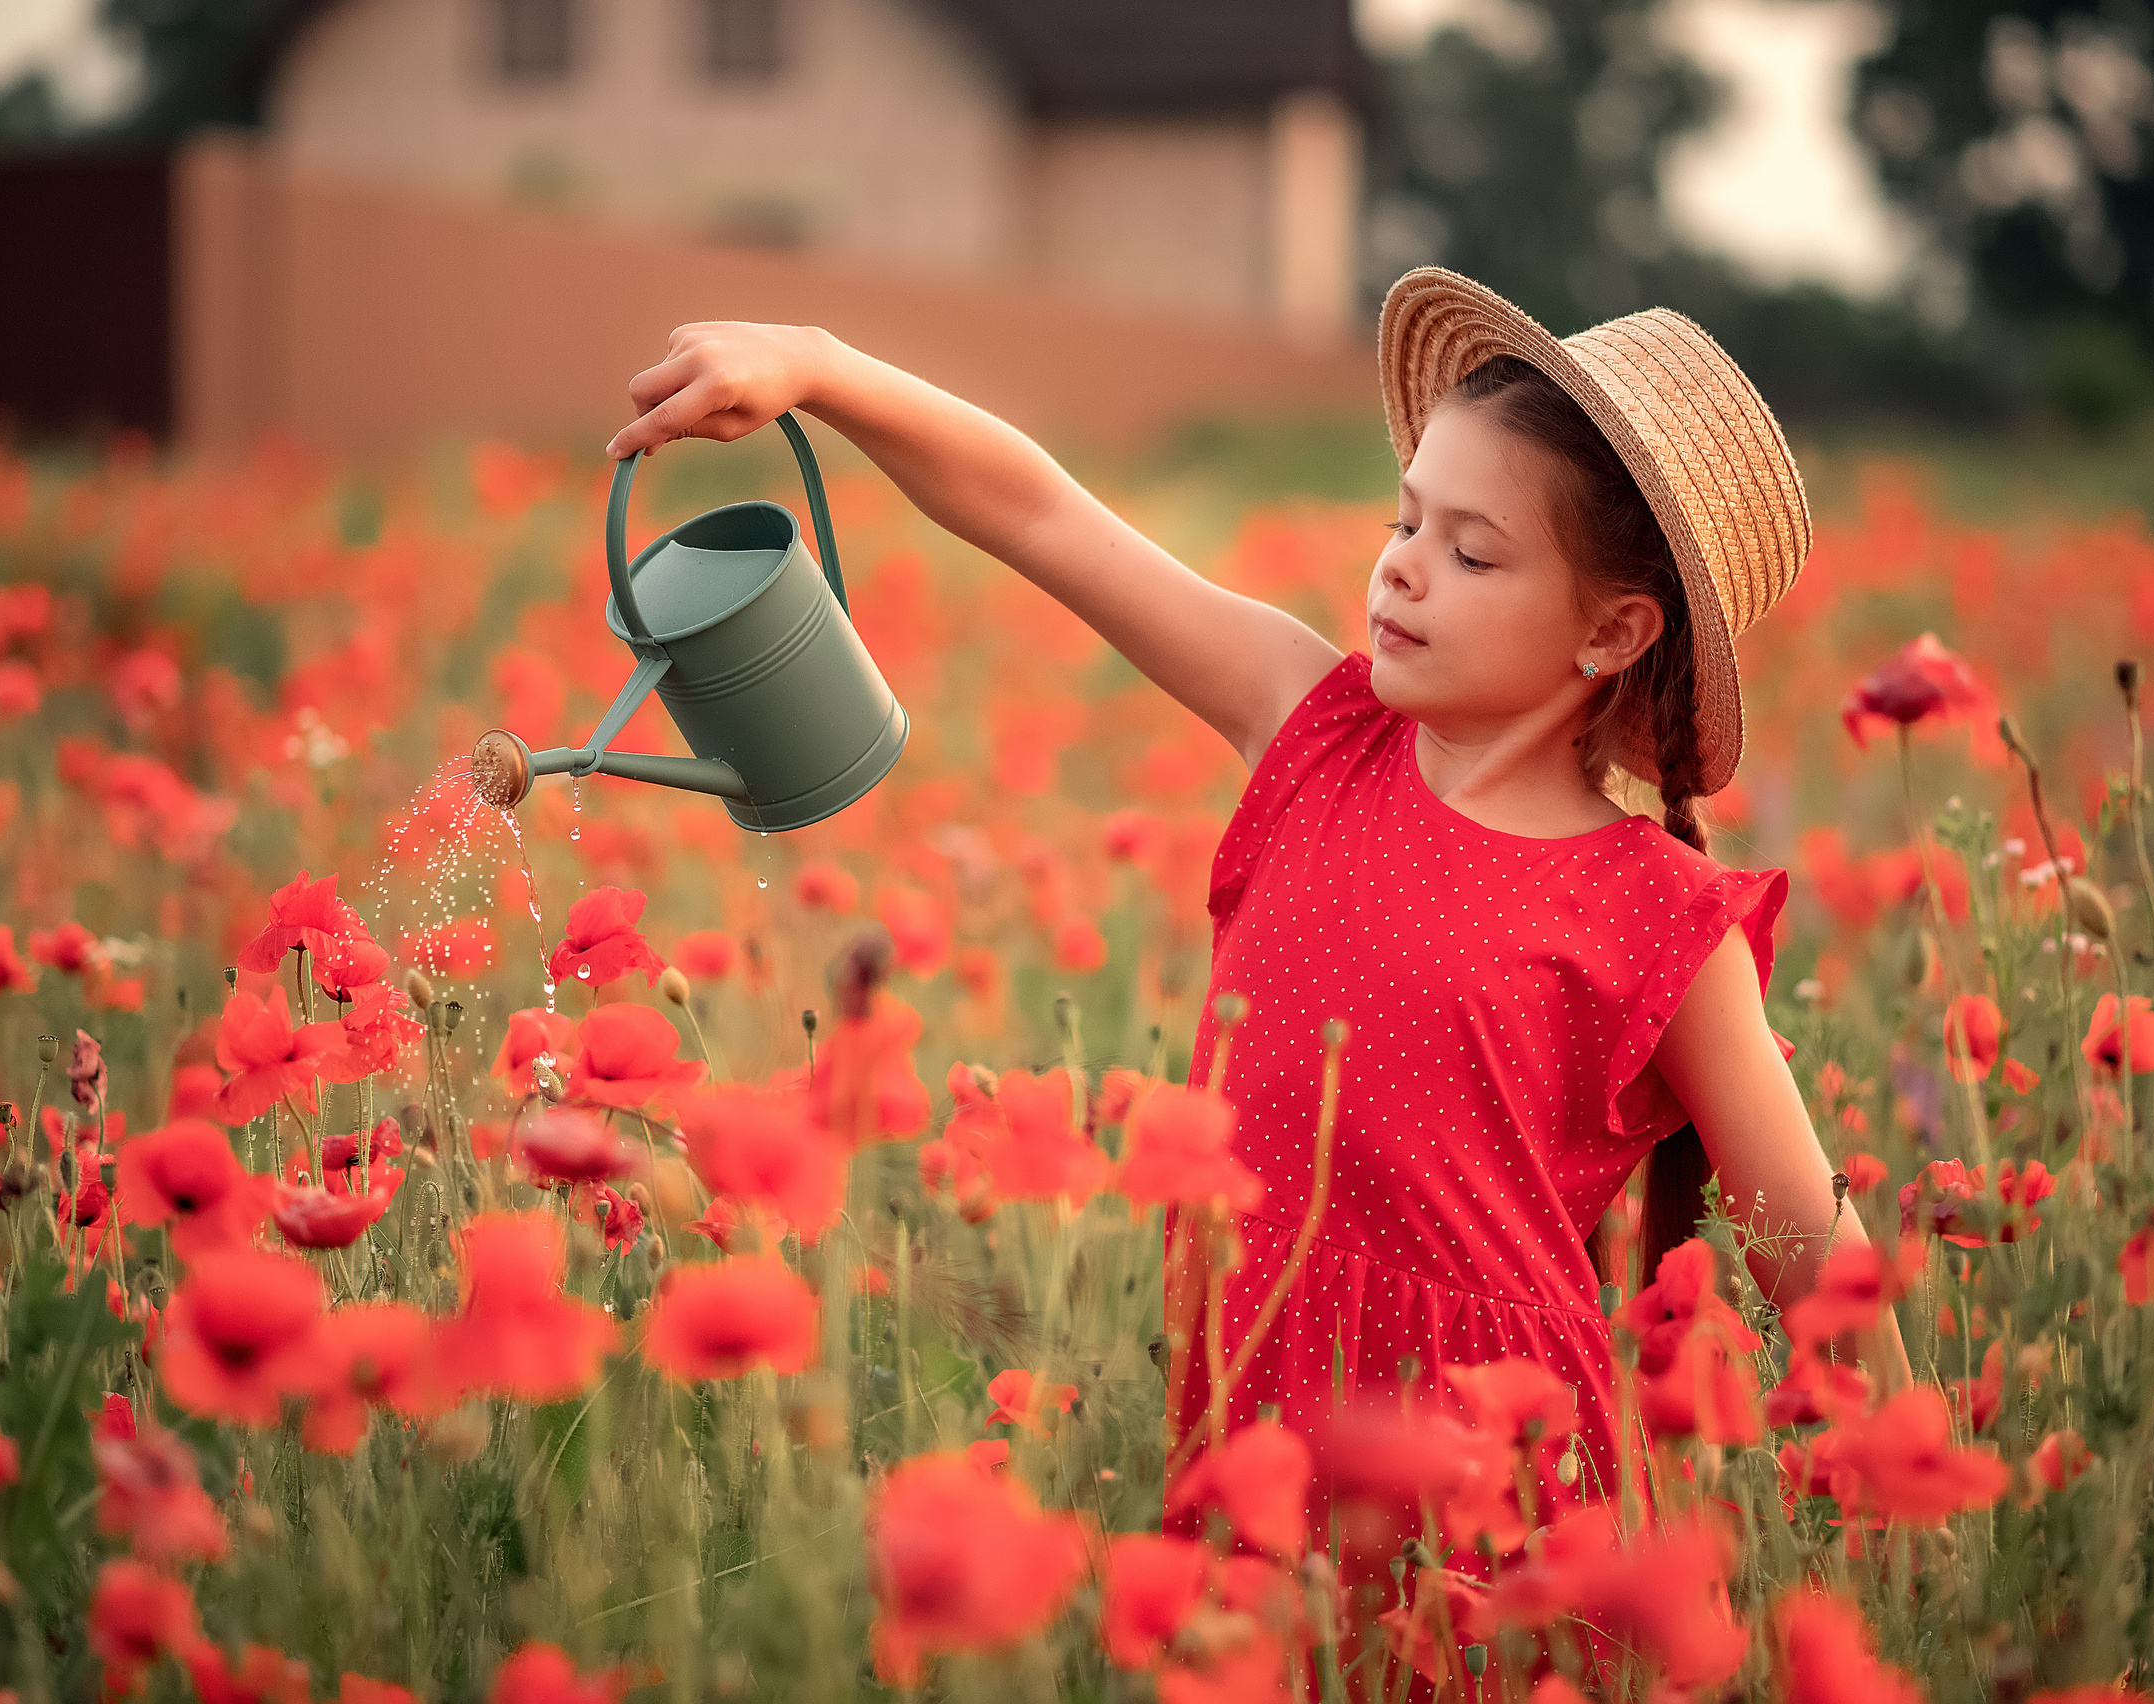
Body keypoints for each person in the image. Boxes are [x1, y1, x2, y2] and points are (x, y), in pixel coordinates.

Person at [604, 266, 1914, 1561]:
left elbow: (1812, 1246)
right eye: (1406, 523)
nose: (1401, 571)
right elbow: (1044, 514)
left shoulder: (1659, 914)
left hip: (1500, 1506)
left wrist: (1920, 1527)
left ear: (1613, 634)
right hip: (1255, 1416)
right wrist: (824, 369)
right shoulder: (1313, 728)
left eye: (1469, 552)